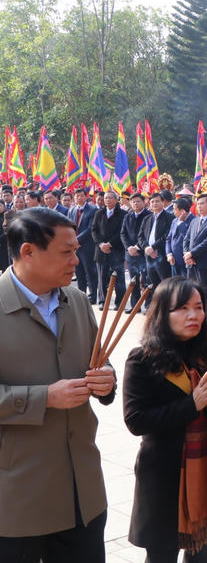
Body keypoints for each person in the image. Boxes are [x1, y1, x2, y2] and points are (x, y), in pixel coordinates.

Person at [0, 208, 116, 562]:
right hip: (16, 498)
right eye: (67, 252)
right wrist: (44, 398)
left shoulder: (76, 300)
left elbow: (99, 358)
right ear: (28, 252)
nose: (76, 260)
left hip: (83, 491)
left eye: (76, 250)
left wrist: (106, 378)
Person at [122, 276, 207, 562]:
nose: (194, 315)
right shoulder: (142, 359)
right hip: (163, 476)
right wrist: (192, 404)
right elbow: (136, 420)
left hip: (203, 469)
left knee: (202, 551)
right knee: (162, 554)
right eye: (182, 308)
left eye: (198, 307)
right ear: (162, 313)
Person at [182, 194, 207, 300]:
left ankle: (205, 312)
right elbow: (186, 239)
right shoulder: (194, 221)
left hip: (204, 264)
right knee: (191, 293)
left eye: (202, 203)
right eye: (198, 204)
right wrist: (187, 254)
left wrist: (191, 253)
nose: (199, 206)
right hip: (191, 264)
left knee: (204, 294)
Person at [91, 189, 127, 307]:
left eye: (110, 197)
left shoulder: (123, 214)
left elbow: (121, 231)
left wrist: (110, 244)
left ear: (116, 200)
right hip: (100, 250)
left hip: (116, 250)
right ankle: (103, 302)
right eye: (106, 198)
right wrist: (101, 244)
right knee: (101, 278)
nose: (107, 200)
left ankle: (120, 302)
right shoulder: (99, 213)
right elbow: (94, 230)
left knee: (118, 278)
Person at [140, 193, 175, 299]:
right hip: (149, 256)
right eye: (152, 202)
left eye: (157, 201)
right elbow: (141, 236)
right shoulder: (147, 218)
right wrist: (146, 247)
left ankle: (166, 306)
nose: (154, 204)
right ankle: (156, 306)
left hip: (162, 256)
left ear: (163, 202)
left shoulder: (170, 217)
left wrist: (153, 247)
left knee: (165, 284)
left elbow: (167, 236)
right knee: (152, 284)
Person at [121, 193, 151, 313]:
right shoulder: (128, 216)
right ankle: (135, 306)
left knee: (146, 280)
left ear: (144, 202)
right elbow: (123, 233)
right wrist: (129, 247)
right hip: (130, 254)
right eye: (133, 202)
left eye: (138, 201)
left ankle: (148, 306)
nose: (136, 204)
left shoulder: (149, 216)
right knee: (133, 280)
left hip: (143, 253)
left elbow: (147, 234)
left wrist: (137, 247)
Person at [68, 188, 98, 303]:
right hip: (74, 247)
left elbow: (90, 228)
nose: (79, 198)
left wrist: (77, 240)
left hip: (87, 246)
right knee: (79, 272)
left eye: (81, 196)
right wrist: (72, 241)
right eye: (77, 196)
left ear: (86, 197)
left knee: (90, 271)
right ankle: (81, 295)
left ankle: (93, 296)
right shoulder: (72, 210)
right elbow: (69, 226)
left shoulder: (92, 210)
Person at [166, 198, 194, 277]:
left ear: (182, 211)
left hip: (186, 260)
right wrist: (169, 254)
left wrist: (181, 223)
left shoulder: (194, 221)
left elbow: (187, 238)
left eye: (175, 209)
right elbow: (169, 238)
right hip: (174, 260)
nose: (173, 212)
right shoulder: (175, 221)